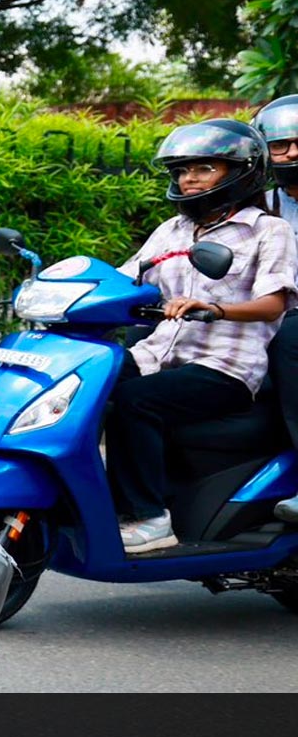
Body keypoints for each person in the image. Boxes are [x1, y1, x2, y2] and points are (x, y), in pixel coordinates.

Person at [109, 119, 297, 553]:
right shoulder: (171, 230)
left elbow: (274, 303)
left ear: (240, 172)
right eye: (181, 170)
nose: (188, 179)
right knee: (90, 381)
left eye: (203, 168)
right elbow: (126, 279)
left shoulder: (268, 230)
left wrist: (215, 308)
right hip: (158, 354)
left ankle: (149, 517)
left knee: (137, 403)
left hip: (225, 368)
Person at [253, 95, 298, 523]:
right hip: (268, 312)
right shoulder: (260, 205)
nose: (293, 153)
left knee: (289, 338)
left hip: (291, 322)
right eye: (282, 145)